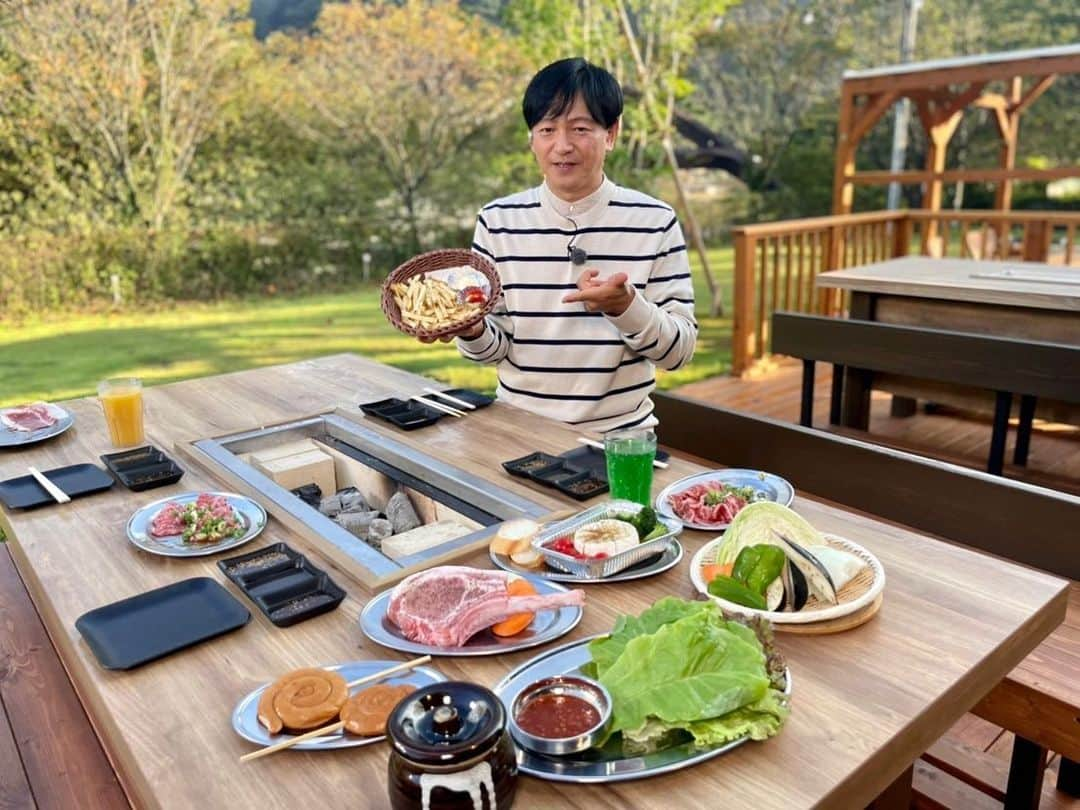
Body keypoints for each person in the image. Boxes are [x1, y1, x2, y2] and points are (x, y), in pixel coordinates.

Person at [450, 57, 696, 433]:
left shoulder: (654, 221)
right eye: (547, 129)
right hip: (516, 432)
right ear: (531, 138)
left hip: (620, 438)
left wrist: (627, 307)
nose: (561, 146)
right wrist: (469, 330)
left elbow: (679, 353)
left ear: (611, 134)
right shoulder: (497, 221)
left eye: (580, 128)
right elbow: (494, 349)